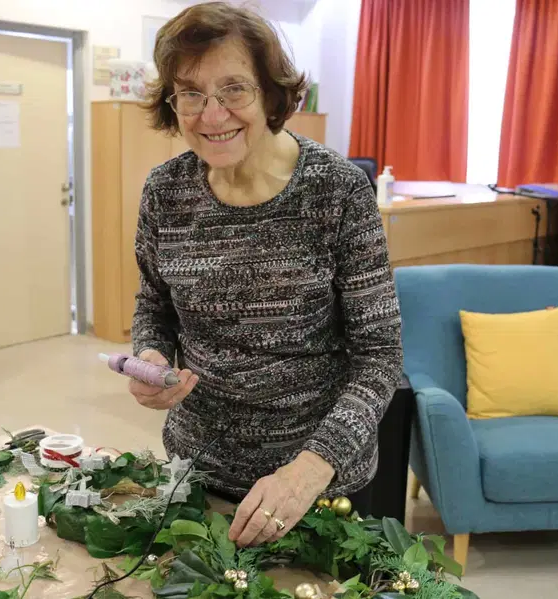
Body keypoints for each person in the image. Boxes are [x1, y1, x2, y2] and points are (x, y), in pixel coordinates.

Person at [128, 1, 403, 549]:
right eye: (191, 93)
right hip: (198, 471)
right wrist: (151, 357)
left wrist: (309, 469)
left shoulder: (337, 190)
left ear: (273, 94)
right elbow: (153, 306)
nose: (211, 115)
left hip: (320, 487)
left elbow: (380, 356)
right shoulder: (165, 191)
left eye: (234, 89)